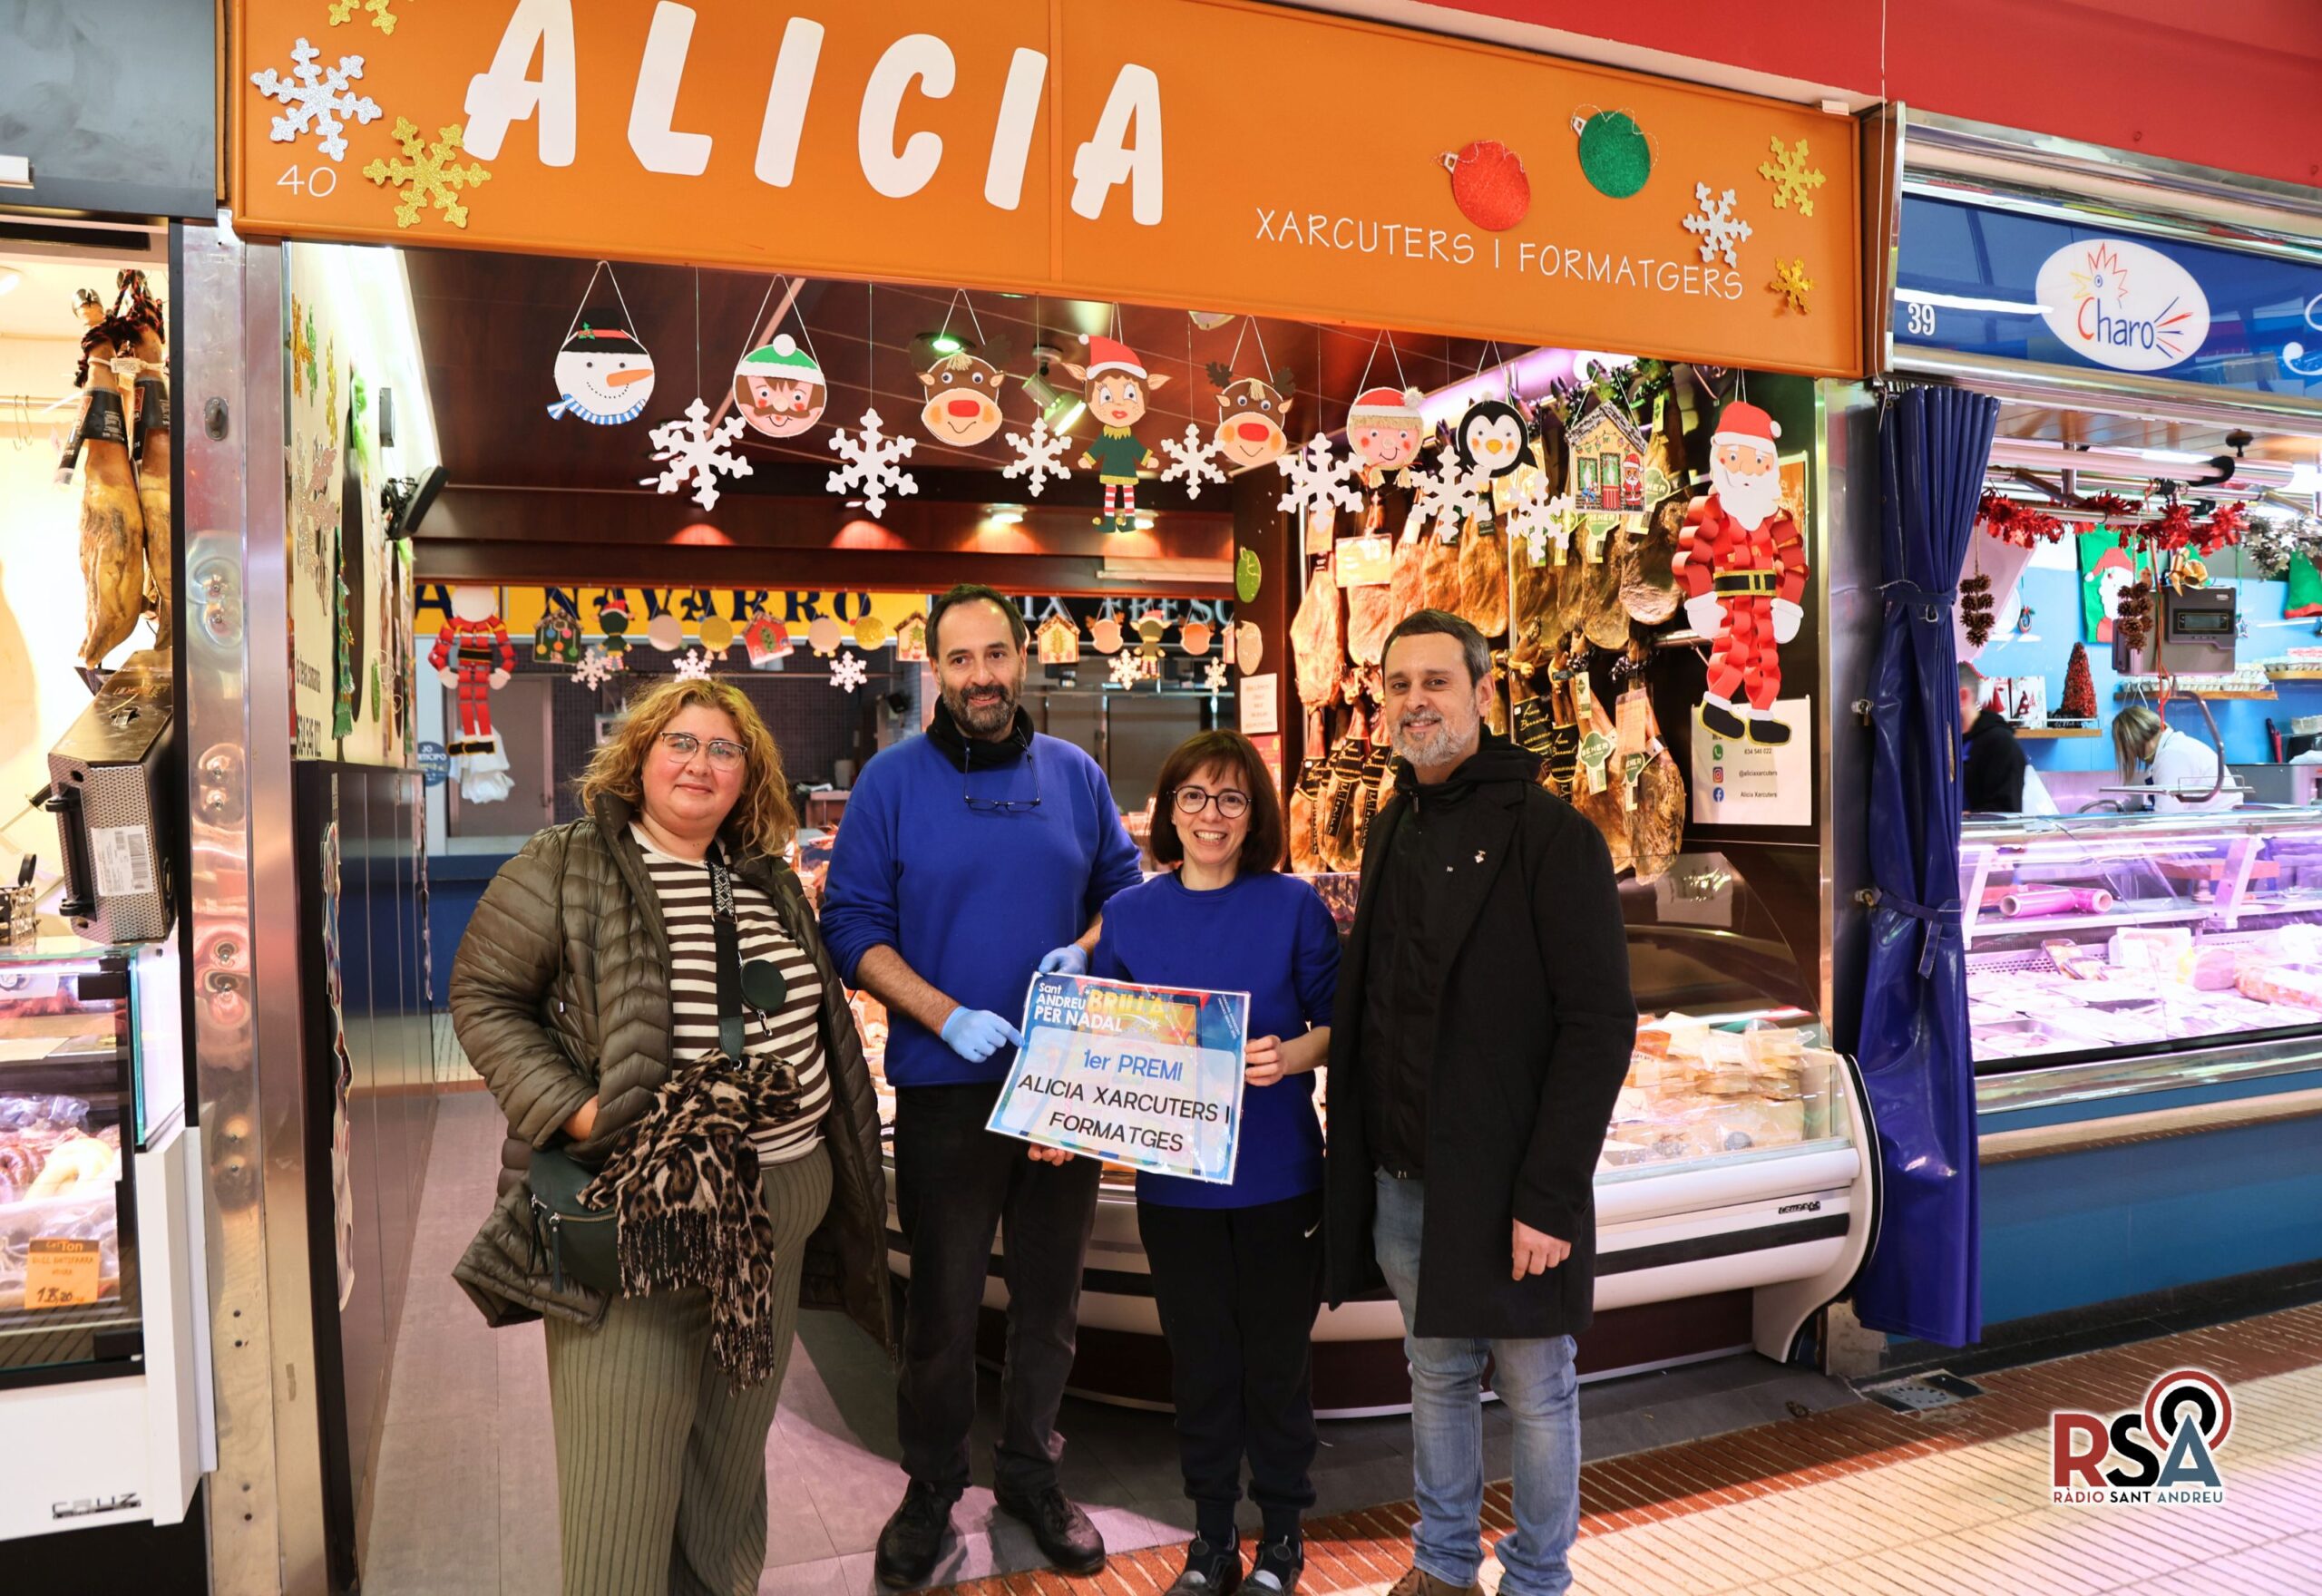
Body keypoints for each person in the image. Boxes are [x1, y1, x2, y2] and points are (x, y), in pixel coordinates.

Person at [450, 677, 892, 1596]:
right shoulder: (566, 863)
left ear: (748, 776)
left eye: (724, 749)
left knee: (727, 1467)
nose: (700, 763)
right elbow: (485, 997)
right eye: (679, 742)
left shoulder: (765, 876)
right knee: (620, 1482)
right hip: (640, 1212)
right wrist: (581, 1112)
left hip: (776, 1209)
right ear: (639, 757)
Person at [821, 583, 1144, 1588]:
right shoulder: (891, 783)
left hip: (1063, 1083)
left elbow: (1127, 896)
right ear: (936, 671)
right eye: (960, 659)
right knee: (943, 1309)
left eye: (996, 654)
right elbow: (850, 927)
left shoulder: (1076, 774)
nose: (982, 676)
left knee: (1050, 1304)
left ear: (1022, 658)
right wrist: (942, 1011)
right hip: (944, 1086)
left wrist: (1087, 950)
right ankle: (930, 1488)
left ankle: (1032, 1476)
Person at [1322, 610, 1635, 1596]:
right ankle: (1443, 1564)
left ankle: (1537, 1577)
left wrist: (1548, 1195)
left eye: (1437, 681)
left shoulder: (1554, 837)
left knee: (1537, 1387)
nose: (1415, 701)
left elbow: (1599, 1027)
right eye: (1398, 684)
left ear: (1483, 693)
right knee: (1436, 1375)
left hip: (1510, 1186)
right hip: (1404, 1174)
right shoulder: (1391, 823)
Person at [1088, 730, 1341, 1596]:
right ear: (1169, 810)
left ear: (1254, 814)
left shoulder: (1294, 906)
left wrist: (1293, 1055)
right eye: (1193, 796)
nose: (1211, 815)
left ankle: (1283, 1537)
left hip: (1279, 1178)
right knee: (1200, 1365)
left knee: (1276, 1365)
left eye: (1232, 798)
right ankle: (1210, 1539)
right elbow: (1106, 1047)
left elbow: (1343, 1024)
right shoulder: (1130, 914)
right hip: (1175, 1186)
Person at [2112, 705, 2242, 813]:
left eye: (2133, 751)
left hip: (2220, 828)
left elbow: (2166, 817)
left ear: (2135, 742)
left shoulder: (2171, 756)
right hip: (2218, 824)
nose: (2137, 757)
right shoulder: (2176, 746)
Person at [1959, 664, 2030, 812]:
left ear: (1963, 696)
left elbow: (2005, 812)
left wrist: (1957, 817)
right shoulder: (1950, 741)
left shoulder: (2002, 744)